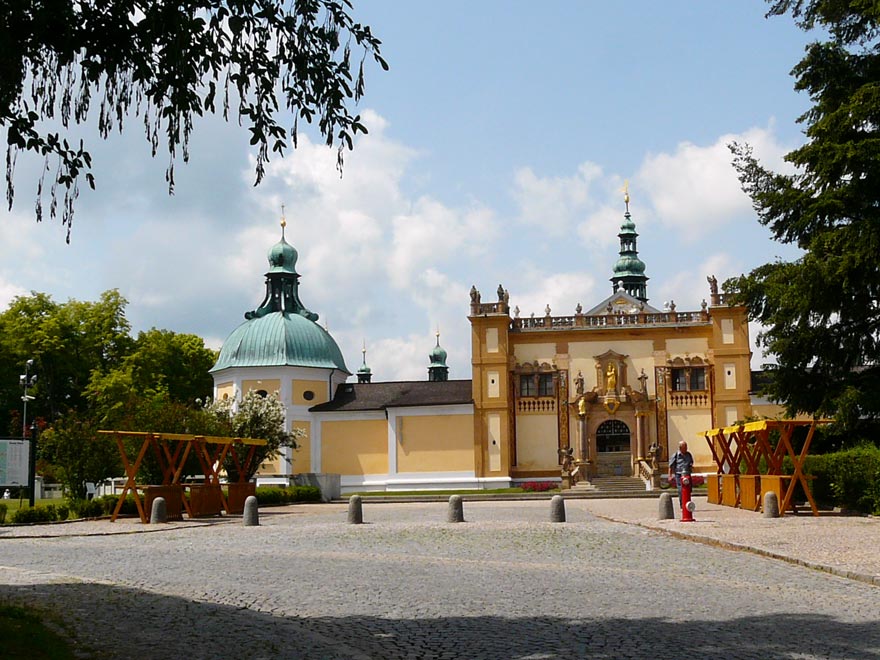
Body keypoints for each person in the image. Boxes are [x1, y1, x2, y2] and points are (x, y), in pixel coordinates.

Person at [668, 440, 694, 507]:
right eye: (684, 447)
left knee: (689, 489)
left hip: (687, 474)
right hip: (679, 475)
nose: (686, 449)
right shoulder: (676, 455)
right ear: (680, 448)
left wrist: (691, 466)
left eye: (686, 447)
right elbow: (670, 466)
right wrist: (670, 476)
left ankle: (687, 502)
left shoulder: (688, 454)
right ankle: (682, 504)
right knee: (681, 490)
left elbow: (691, 462)